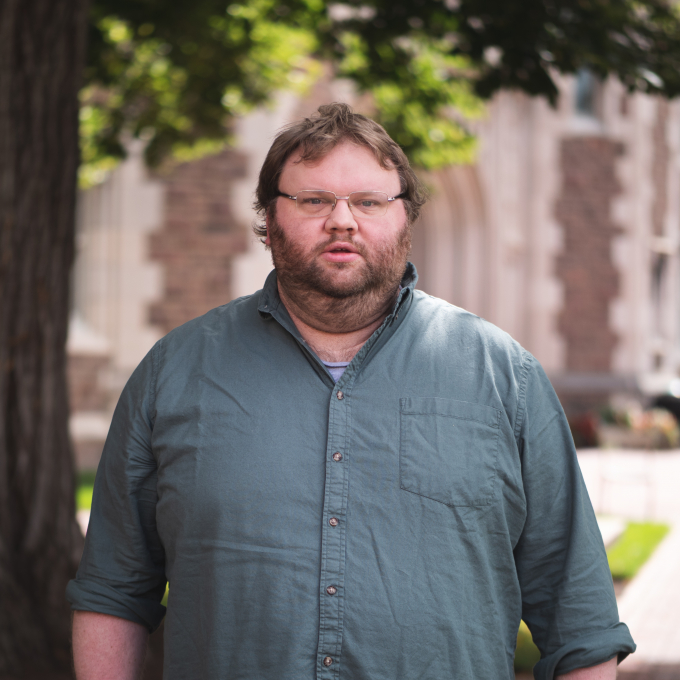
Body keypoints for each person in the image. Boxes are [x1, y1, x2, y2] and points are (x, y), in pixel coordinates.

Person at [68, 103, 635, 679]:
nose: (343, 220)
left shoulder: (502, 376)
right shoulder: (175, 371)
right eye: (314, 201)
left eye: (368, 202)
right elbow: (113, 592)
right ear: (268, 220)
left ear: (404, 220)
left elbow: (580, 625)